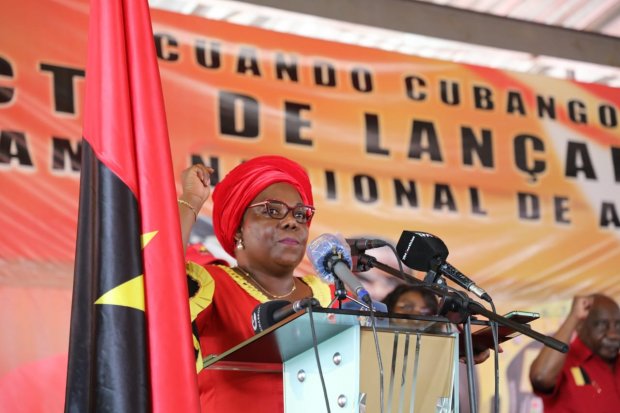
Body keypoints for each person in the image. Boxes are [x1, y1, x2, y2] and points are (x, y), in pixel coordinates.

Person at [177, 156, 333, 413]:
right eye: (272, 210)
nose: (292, 221)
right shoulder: (211, 286)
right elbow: (157, 276)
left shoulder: (332, 296)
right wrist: (191, 199)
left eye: (300, 214)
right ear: (239, 229)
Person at [529, 294, 620, 412]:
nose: (613, 334)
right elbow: (540, 377)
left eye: (618, 325)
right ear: (580, 326)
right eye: (602, 325)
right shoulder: (563, 360)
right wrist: (574, 317)